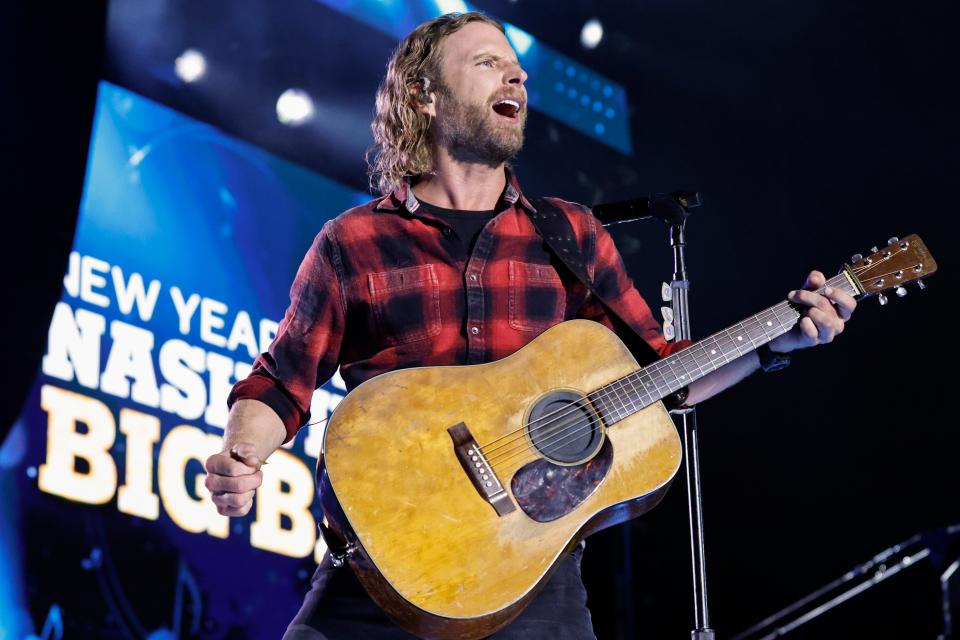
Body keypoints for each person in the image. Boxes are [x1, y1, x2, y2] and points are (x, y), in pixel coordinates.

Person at [203, 12, 857, 639]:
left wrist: (782, 338)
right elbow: (281, 381)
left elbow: (664, 375)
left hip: (532, 578)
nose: (516, 79)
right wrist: (242, 455)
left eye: (519, 71)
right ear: (423, 95)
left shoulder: (567, 233)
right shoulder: (355, 240)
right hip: (383, 572)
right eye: (490, 64)